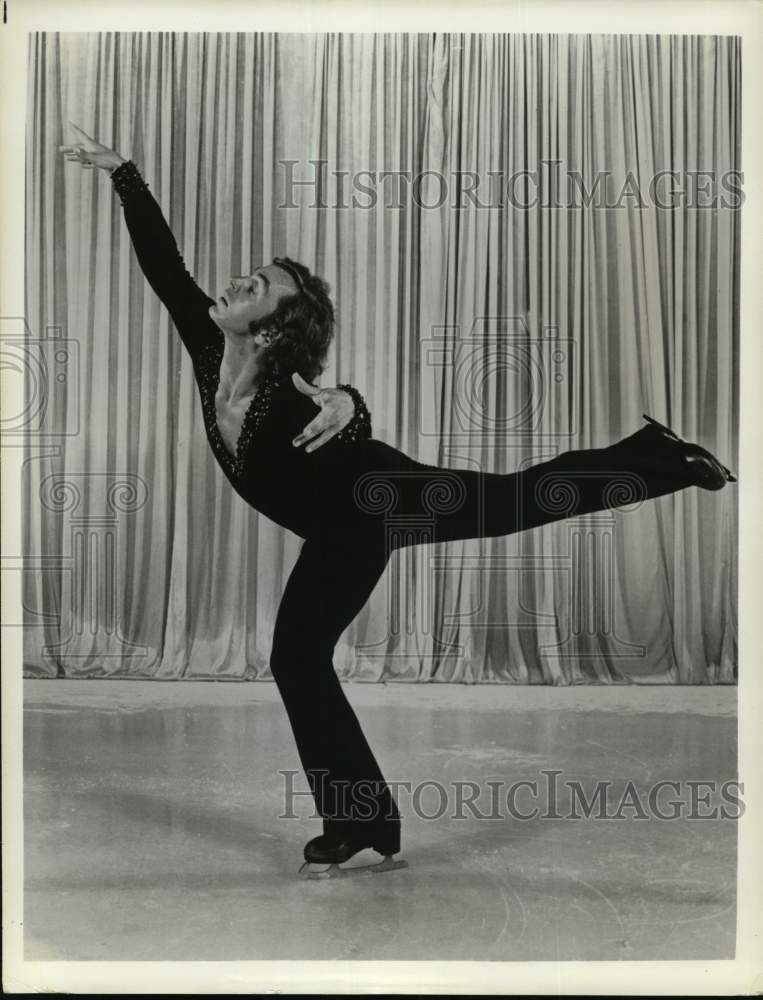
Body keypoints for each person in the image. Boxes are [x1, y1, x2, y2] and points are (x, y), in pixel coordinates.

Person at [61, 123, 736, 878]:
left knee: (516, 501)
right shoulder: (210, 345)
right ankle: (364, 823)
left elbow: (345, 423)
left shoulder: (294, 399)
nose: (237, 283)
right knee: (299, 658)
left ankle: (661, 461)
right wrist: (124, 173)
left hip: (376, 502)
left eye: (257, 287)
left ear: (276, 329)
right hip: (335, 526)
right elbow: (164, 264)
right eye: (248, 276)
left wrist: (350, 401)